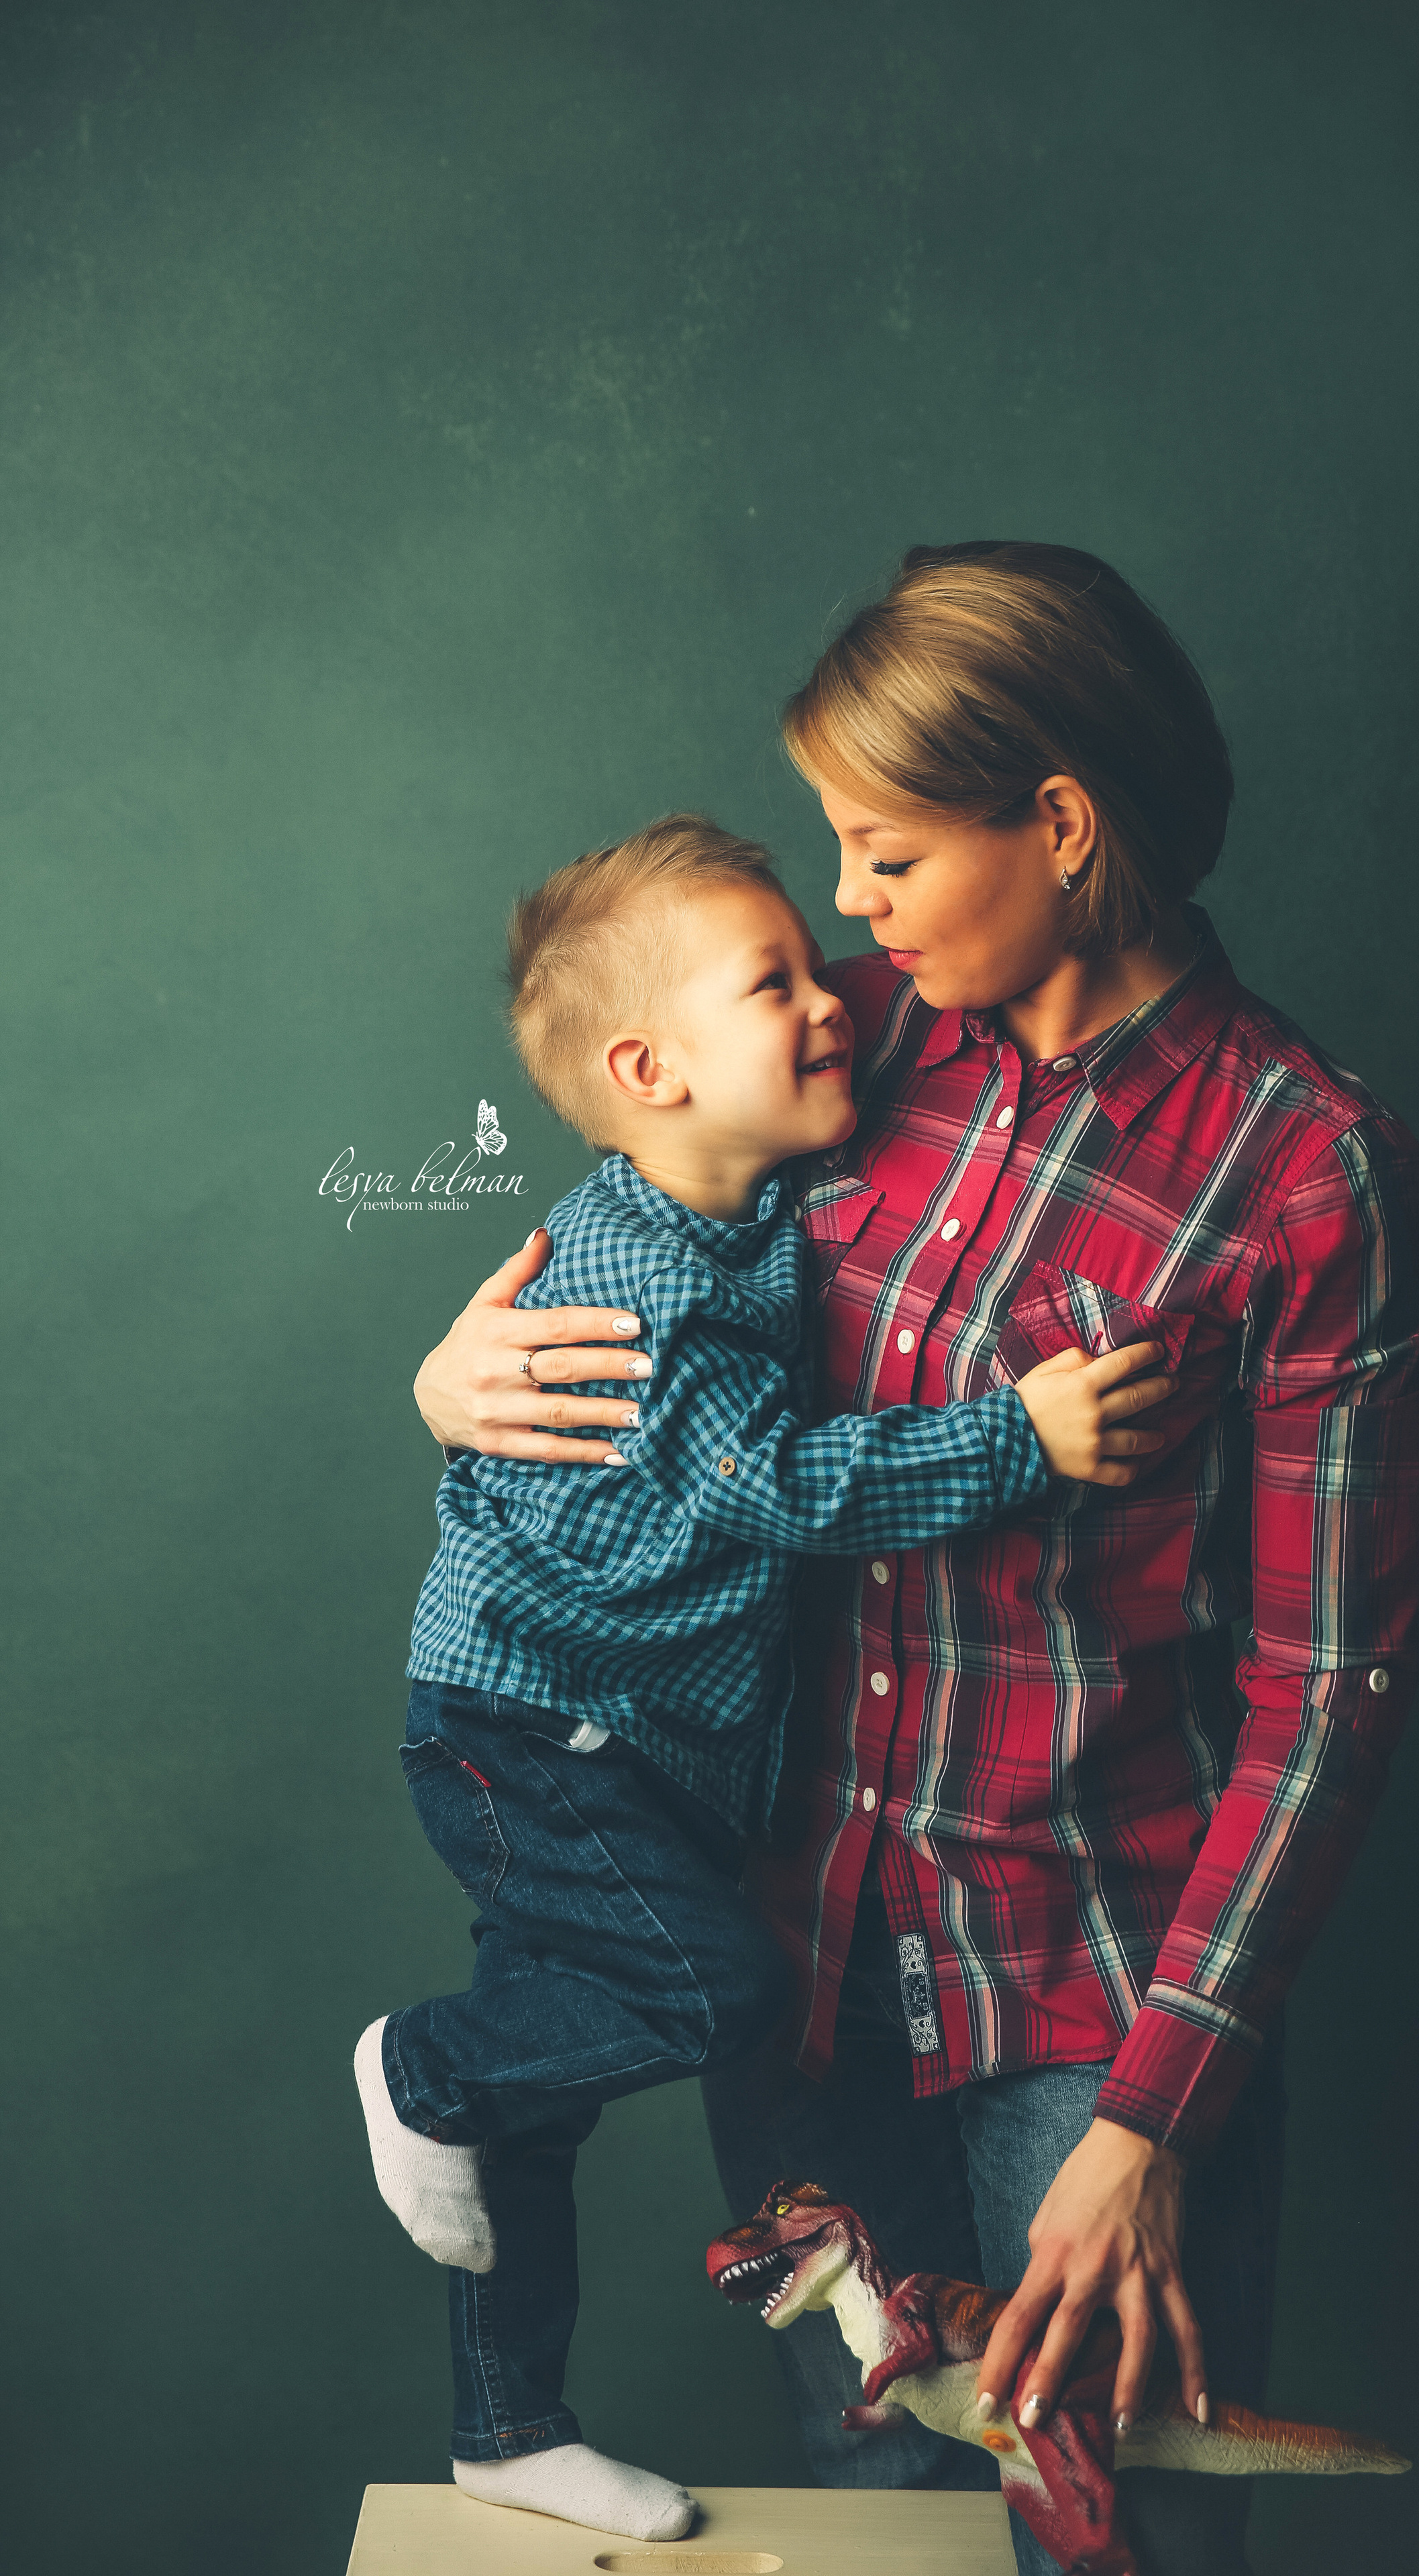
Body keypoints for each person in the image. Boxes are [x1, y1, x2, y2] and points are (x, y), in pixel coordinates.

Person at [412, 544, 1419, 2576]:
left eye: (885, 854)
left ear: (1061, 825)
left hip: (1096, 2013)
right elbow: (619, 1271)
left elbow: (1328, 1688)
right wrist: (455, 1375)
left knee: (1121, 2538)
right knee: (885, 2533)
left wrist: (1157, 2120)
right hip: (800, 1980)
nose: (851, 912)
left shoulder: (1310, 1169)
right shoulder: (827, 1046)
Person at [356, 811, 1174, 2546]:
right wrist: (1019, 1437)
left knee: (548, 2116)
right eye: (777, 981)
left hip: (623, 1744)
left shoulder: (748, 1201)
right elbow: (779, 1484)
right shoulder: (645, 1278)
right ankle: (428, 2071)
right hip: (532, 1736)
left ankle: (508, 2427)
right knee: (705, 1992)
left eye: (821, 965)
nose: (832, 1001)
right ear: (651, 1070)